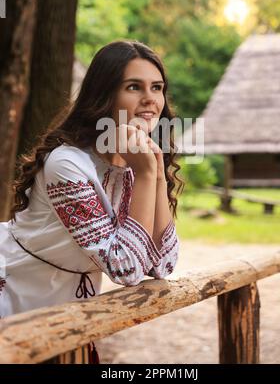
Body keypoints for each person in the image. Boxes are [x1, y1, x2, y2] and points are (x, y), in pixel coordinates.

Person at [0, 40, 184, 364]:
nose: (150, 100)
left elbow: (162, 264)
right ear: (105, 94)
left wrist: (153, 172)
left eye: (157, 88)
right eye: (133, 87)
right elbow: (125, 268)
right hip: (15, 299)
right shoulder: (67, 164)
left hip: (70, 314)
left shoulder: (137, 161)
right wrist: (144, 174)